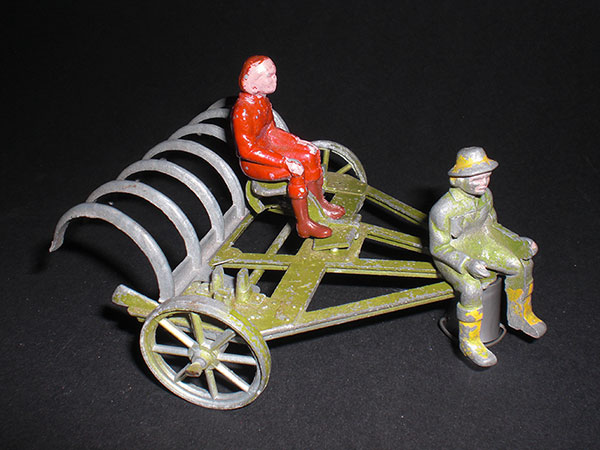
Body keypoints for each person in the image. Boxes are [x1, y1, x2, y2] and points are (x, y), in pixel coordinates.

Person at [429, 147, 546, 367]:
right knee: (471, 289)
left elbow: (491, 227)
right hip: (452, 255)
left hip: (481, 242)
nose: (483, 183)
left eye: (487, 176)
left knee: (521, 265)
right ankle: (470, 341)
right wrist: (467, 263)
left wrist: (517, 243)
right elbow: (439, 248)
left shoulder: (485, 196)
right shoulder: (442, 210)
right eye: (476, 178)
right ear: (457, 180)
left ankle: (520, 315)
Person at [231, 55, 345, 238]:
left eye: (274, 74)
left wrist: (296, 142)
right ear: (253, 85)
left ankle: (320, 203)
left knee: (310, 154)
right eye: (269, 75)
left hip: (268, 149)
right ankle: (304, 224)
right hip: (254, 162)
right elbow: (247, 151)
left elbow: (271, 131)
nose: (274, 78)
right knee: (296, 170)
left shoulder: (263, 101)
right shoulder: (242, 111)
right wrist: (285, 162)